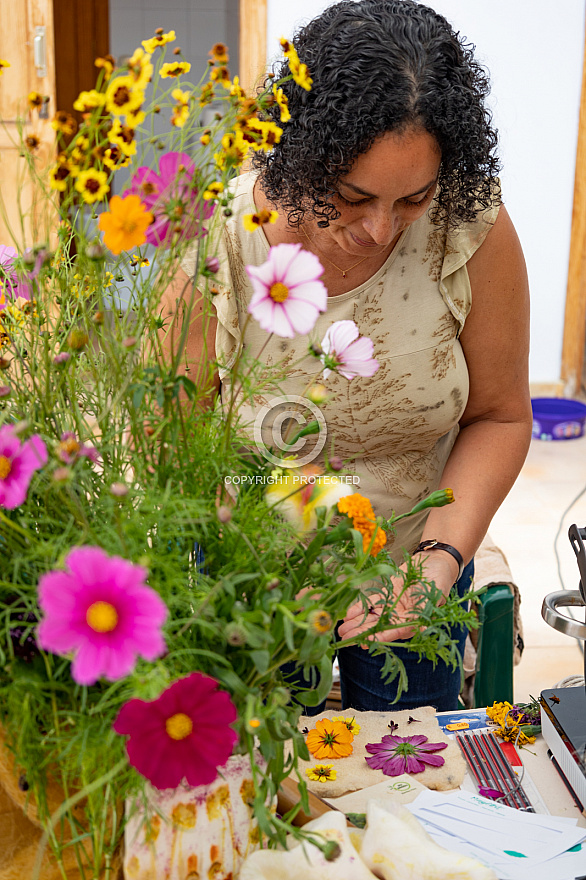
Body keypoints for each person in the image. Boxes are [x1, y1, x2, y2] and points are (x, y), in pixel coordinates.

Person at [168, 0, 532, 711]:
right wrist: (242, 567)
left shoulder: (470, 226)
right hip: (257, 584)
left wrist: (439, 562)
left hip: (415, 565)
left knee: (406, 776)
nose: (378, 230)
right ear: (302, 157)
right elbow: (171, 437)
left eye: (412, 198)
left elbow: (501, 417)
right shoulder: (226, 234)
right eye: (350, 197)